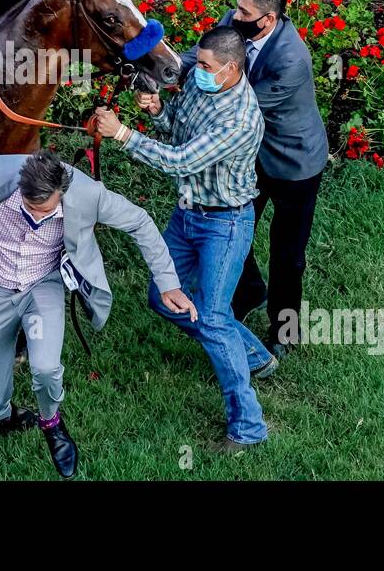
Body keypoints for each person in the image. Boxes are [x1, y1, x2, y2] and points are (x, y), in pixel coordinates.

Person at [0, 150, 194, 478]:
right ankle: (5, 415)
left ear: (62, 192)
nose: (36, 218)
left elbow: (139, 221)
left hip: (42, 289)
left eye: (46, 209)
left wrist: (168, 284)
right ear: (20, 188)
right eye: (30, 208)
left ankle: (52, 424)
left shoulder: (86, 193)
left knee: (46, 368)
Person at [93, 26, 274, 453]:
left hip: (225, 225)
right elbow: (179, 129)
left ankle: (248, 427)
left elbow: (180, 160)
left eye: (208, 67)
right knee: (161, 297)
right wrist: (157, 110)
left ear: (232, 69)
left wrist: (123, 134)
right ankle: (253, 355)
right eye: (200, 64)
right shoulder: (199, 81)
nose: (199, 72)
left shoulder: (241, 118)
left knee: (211, 318)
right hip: (188, 214)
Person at [180, 0, 329, 352]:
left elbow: (240, 105)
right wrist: (169, 65)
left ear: (268, 19)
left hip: (295, 164)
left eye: (245, 10)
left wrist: (187, 96)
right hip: (254, 155)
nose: (235, 13)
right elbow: (205, 57)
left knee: (288, 256)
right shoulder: (236, 22)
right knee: (236, 226)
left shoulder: (291, 58)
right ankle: (249, 292)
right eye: (238, 5)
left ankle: (285, 332)